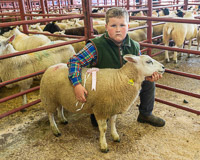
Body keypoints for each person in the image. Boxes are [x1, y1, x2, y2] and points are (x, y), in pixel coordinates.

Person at [67, 7, 165, 127]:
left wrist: (149, 76)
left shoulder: (134, 46)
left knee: (149, 83)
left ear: (128, 26)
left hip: (124, 84)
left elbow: (142, 68)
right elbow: (74, 61)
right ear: (106, 26)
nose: (118, 30)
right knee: (98, 122)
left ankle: (145, 113)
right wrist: (76, 84)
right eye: (113, 26)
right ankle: (97, 111)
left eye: (122, 25)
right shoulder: (96, 46)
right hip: (103, 91)